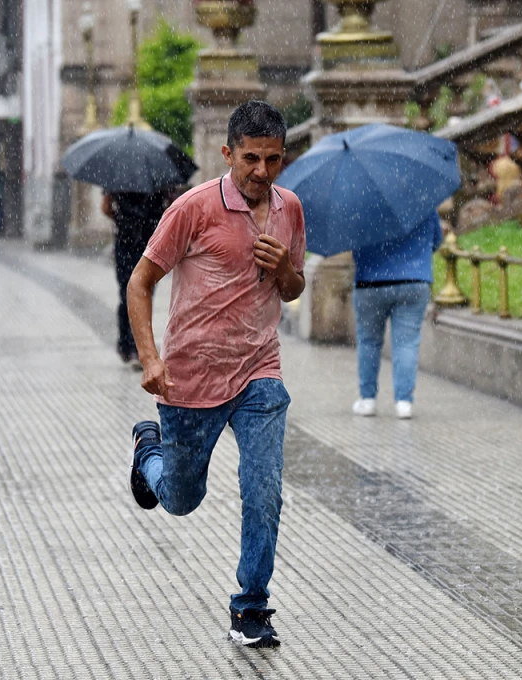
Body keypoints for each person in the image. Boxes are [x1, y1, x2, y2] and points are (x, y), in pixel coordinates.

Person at [125, 100, 305, 649]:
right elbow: (140, 282)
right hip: (191, 378)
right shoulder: (194, 208)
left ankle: (250, 608)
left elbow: (294, 288)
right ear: (227, 153)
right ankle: (148, 451)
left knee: (264, 491)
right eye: (250, 158)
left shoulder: (289, 207)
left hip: (259, 370)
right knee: (180, 498)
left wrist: (283, 269)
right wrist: (152, 359)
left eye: (272, 160)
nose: (261, 172)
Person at [350, 215, 441, 420]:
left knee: (369, 341)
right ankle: (404, 402)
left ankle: (368, 399)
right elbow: (436, 240)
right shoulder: (423, 199)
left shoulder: (361, 203)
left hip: (370, 281)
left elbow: (351, 241)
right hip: (414, 279)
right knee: (406, 343)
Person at [101, 189, 168, 368]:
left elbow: (105, 207)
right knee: (146, 292)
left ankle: (126, 344)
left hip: (125, 239)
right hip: (151, 240)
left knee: (126, 292)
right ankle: (137, 347)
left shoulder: (117, 178)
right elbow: (169, 206)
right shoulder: (159, 176)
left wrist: (121, 218)